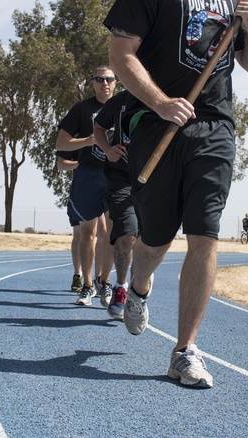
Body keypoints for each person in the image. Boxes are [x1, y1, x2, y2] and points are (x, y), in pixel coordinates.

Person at [104, 0, 248, 388]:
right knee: (154, 239)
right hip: (159, 128)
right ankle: (138, 285)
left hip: (215, 128)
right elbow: (121, 55)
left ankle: (184, 350)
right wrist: (159, 103)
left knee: (204, 234)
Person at [55, 66, 117, 307]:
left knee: (111, 232)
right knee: (87, 233)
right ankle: (87, 285)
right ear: (93, 82)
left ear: (116, 82)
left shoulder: (124, 106)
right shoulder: (81, 109)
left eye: (109, 79)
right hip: (88, 175)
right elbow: (61, 143)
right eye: (100, 79)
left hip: (115, 175)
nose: (105, 83)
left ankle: (106, 282)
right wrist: (89, 140)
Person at [92, 89, 137, 320]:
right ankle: (121, 286)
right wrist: (108, 149)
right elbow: (98, 129)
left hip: (155, 182)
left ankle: (140, 288)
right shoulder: (118, 102)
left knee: (148, 242)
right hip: (120, 180)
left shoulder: (166, 98)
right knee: (126, 235)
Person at [56, 151, 84, 292]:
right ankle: (78, 274)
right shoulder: (77, 140)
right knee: (79, 235)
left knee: (103, 234)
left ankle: (100, 279)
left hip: (106, 190)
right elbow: (61, 163)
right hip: (81, 192)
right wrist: (81, 165)